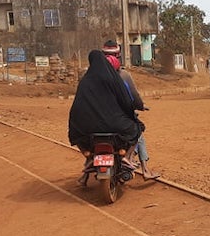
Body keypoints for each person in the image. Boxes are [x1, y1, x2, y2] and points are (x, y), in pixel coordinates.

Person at [68, 49, 143, 181]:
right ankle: (125, 157)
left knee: (75, 133)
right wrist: (130, 112)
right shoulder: (114, 79)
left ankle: (88, 156)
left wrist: (78, 121)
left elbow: (77, 105)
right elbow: (126, 100)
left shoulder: (85, 81)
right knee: (138, 127)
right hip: (115, 125)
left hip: (87, 127)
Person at [102, 40, 160, 180]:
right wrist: (140, 106)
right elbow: (134, 97)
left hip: (95, 119)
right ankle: (143, 168)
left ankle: (87, 168)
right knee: (138, 131)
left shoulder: (92, 75)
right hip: (120, 119)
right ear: (118, 55)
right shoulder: (123, 75)